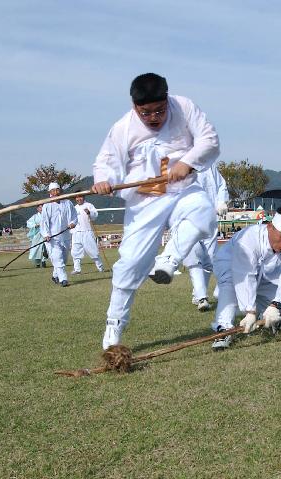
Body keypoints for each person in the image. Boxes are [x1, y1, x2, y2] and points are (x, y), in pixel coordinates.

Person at [91, 72, 220, 349]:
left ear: (167, 99)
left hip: (182, 188)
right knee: (130, 263)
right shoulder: (123, 128)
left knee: (204, 211)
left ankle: (168, 261)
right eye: (145, 112)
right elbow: (107, 161)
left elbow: (209, 139)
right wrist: (105, 181)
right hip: (145, 200)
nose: (153, 117)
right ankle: (114, 325)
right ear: (134, 106)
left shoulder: (184, 107)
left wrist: (188, 162)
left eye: (159, 110)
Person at [210, 207, 281, 350]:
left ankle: (266, 314)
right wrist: (250, 311)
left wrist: (275, 305)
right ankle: (223, 329)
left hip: (265, 275)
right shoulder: (249, 238)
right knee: (229, 286)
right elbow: (244, 274)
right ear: (270, 227)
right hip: (230, 264)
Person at [180, 163, 229, 311]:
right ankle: (202, 297)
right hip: (188, 218)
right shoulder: (179, 164)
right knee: (194, 256)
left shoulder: (209, 166)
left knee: (209, 259)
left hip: (209, 218)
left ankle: (198, 294)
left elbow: (221, 185)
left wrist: (221, 201)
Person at [41, 182, 78, 286]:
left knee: (64, 260)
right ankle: (63, 280)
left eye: (57, 190)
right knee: (57, 258)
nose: (55, 192)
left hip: (65, 235)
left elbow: (74, 216)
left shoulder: (67, 202)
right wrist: (46, 234)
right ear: (50, 192)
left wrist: (72, 223)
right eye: (53, 191)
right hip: (52, 238)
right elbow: (44, 222)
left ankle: (55, 275)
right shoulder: (47, 205)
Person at [70, 195, 105, 274]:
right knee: (75, 251)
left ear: (84, 197)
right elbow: (70, 220)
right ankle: (77, 269)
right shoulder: (74, 208)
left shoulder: (89, 205)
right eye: (77, 197)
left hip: (87, 231)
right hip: (76, 232)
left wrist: (89, 213)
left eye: (80, 197)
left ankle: (100, 267)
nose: (79, 199)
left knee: (93, 250)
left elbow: (95, 215)